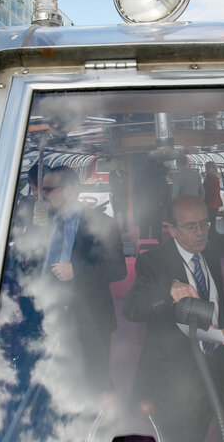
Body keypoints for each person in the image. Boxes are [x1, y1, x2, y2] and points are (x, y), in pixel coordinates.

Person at [123, 194, 224, 442]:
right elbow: (131, 308)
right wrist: (168, 290)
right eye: (190, 226)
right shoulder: (153, 260)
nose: (200, 232)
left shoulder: (211, 254)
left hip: (212, 373)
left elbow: (217, 307)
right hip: (173, 380)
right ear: (171, 229)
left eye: (204, 224)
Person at [37, 165, 127, 393]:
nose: (42, 195)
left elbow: (118, 269)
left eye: (47, 190)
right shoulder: (44, 219)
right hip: (52, 312)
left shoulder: (101, 223)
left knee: (96, 379)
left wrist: (76, 270)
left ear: (67, 191)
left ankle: (103, 423)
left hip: (90, 316)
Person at [203, 161, 223, 237]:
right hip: (209, 202)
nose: (207, 169)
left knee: (211, 219)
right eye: (206, 168)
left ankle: (212, 233)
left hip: (212, 203)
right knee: (210, 219)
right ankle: (211, 233)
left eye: (208, 168)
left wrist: (206, 193)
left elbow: (214, 192)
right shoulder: (209, 178)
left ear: (213, 168)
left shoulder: (214, 179)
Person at [109, 158, 129, 232]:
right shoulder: (112, 173)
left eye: (119, 163)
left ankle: (125, 228)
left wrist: (120, 177)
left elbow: (126, 182)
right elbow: (111, 183)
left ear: (121, 164)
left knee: (124, 212)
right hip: (115, 195)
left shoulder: (124, 173)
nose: (118, 165)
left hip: (123, 195)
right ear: (115, 165)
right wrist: (119, 181)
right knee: (115, 212)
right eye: (117, 163)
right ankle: (116, 228)